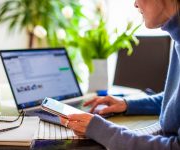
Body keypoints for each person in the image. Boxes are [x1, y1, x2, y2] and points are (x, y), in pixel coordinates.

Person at [60, 0, 180, 149]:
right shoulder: (177, 38)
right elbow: (174, 102)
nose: (135, 4)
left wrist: (102, 131)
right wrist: (126, 104)